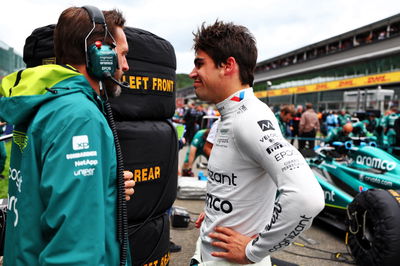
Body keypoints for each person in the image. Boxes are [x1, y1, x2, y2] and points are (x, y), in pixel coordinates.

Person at [0, 6, 135, 265]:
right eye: (123, 54)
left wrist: (106, 186)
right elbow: (74, 248)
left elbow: (43, 192)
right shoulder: (78, 117)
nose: (126, 66)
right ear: (99, 54)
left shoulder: (43, 102)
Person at [189, 20, 324, 265]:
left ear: (227, 65)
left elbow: (307, 197)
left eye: (200, 64)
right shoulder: (233, 114)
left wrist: (254, 250)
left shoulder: (249, 118)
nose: (192, 73)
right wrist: (215, 213)